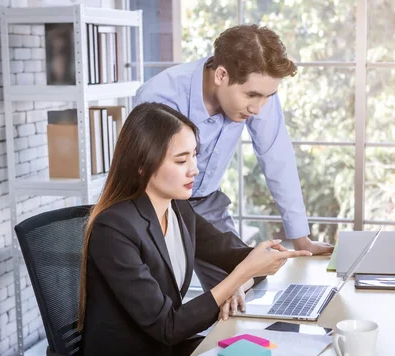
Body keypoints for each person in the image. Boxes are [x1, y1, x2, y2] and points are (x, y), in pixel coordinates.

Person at [77, 102, 312, 356]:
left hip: (163, 355)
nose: (195, 169)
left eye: (194, 155)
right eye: (180, 159)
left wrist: (263, 260)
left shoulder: (179, 209)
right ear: (142, 165)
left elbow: (233, 255)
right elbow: (168, 326)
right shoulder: (114, 229)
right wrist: (241, 275)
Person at [134, 24, 334, 295]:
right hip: (158, 207)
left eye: (267, 97)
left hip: (208, 204)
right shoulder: (161, 96)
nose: (257, 108)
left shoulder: (258, 94)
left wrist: (301, 239)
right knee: (160, 300)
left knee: (248, 287)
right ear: (221, 74)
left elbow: (277, 157)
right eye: (251, 95)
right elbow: (146, 177)